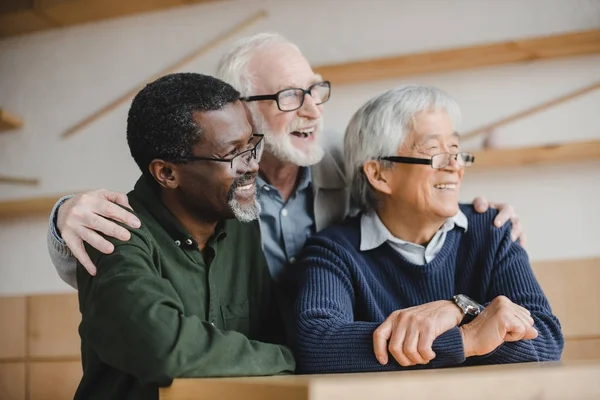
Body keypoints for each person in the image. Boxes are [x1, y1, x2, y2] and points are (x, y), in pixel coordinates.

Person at [47, 33, 524, 288]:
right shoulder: (206, 175)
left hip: (335, 345)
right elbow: (131, 237)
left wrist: (479, 217)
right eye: (291, 96)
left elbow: (413, 196)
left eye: (315, 89)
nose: (314, 110)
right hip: (252, 356)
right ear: (241, 110)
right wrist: (64, 213)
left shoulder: (347, 157)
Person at [294, 85, 563, 374]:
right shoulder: (333, 250)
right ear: (379, 174)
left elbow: (545, 337)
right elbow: (317, 344)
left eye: (456, 150)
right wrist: (466, 338)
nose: (454, 166)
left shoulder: (492, 231)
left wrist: (459, 309)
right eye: (433, 151)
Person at [73, 73, 294, 400]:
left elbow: (270, 331)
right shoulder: (113, 232)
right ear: (167, 173)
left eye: (251, 145)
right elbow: (164, 348)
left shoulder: (241, 221)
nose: (252, 166)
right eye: (233, 153)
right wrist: (290, 358)